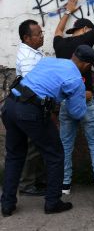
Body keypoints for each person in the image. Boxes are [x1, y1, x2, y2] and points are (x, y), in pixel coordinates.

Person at [1, 45, 94, 216]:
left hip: (10, 105)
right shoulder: (76, 80)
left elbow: (43, 85)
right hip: (30, 112)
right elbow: (77, 113)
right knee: (55, 155)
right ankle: (52, 202)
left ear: (73, 55)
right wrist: (81, 96)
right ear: (87, 65)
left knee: (14, 155)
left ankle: (7, 204)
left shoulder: (50, 61)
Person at [53, 0, 94, 195]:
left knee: (65, 145)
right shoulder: (86, 39)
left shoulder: (59, 45)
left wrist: (68, 10)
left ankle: (65, 185)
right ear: (84, 30)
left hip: (67, 101)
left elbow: (58, 31)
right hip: (86, 99)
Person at [15, 19, 47, 196]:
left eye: (42, 33)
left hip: (35, 105)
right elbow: (32, 85)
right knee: (33, 147)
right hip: (30, 105)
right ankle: (27, 184)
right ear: (27, 37)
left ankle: (38, 180)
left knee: (39, 145)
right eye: (38, 34)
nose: (42, 37)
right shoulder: (27, 57)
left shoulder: (33, 51)